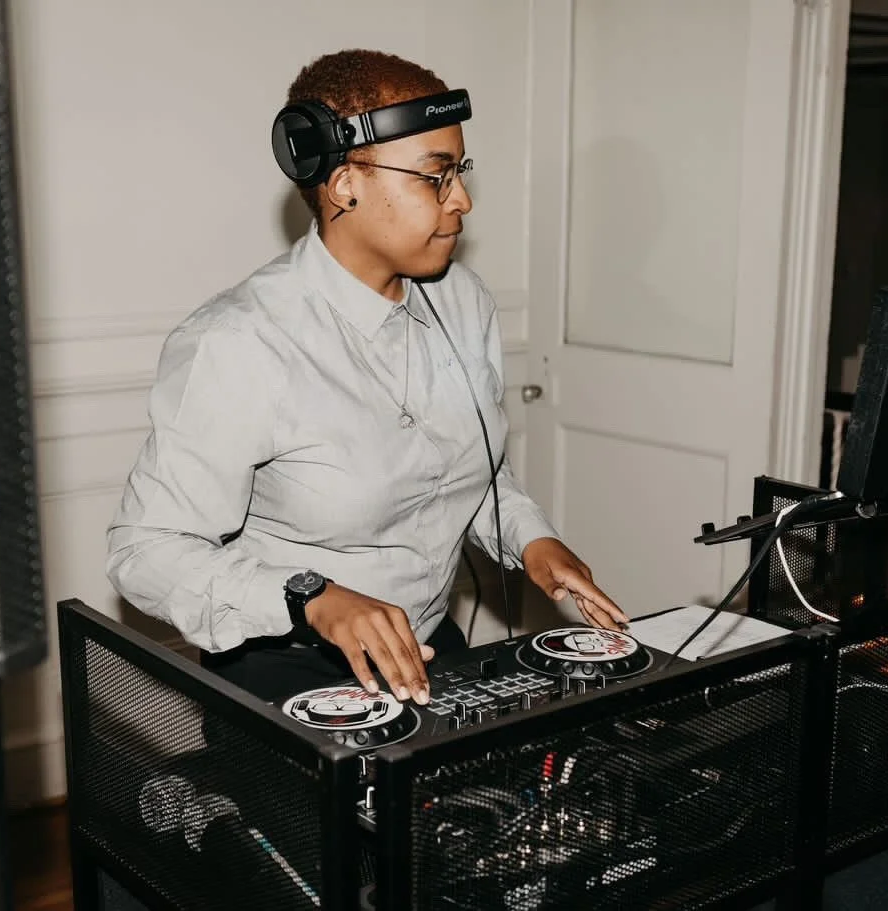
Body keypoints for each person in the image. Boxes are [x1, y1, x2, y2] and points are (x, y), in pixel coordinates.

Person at [106, 48, 626, 708]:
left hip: (428, 647)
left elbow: (476, 468)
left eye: (459, 172)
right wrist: (310, 598)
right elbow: (143, 551)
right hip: (285, 668)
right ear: (344, 184)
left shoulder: (465, 302)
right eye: (434, 177)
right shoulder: (237, 341)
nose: (461, 200)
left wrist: (531, 539)